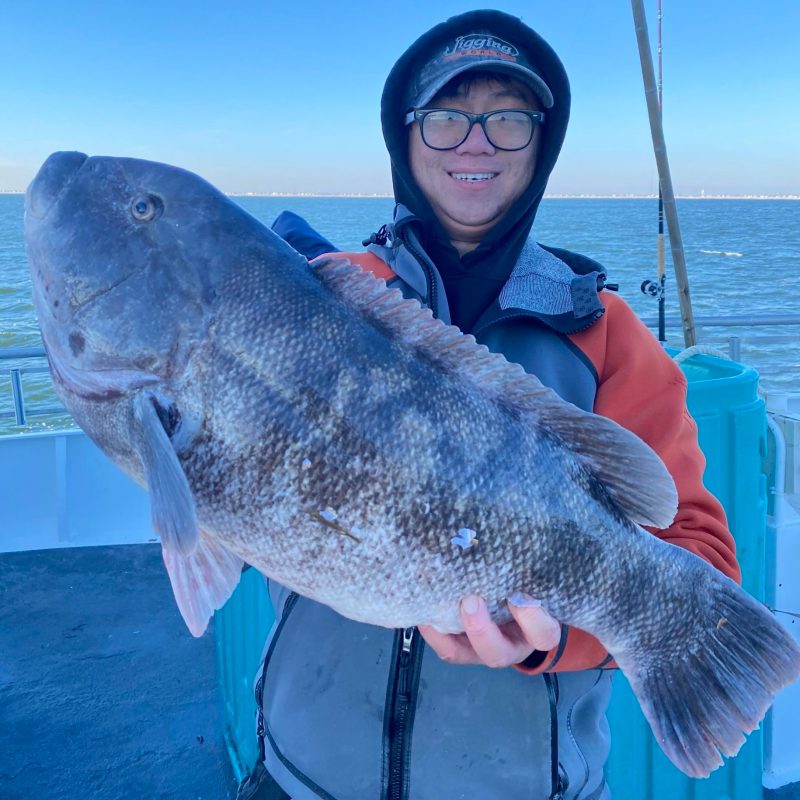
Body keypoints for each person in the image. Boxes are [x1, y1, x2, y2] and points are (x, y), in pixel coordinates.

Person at [243, 10, 740, 800]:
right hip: (298, 777)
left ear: (541, 146)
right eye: (446, 117)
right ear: (404, 138)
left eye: (508, 120)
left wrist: (554, 640)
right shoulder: (322, 298)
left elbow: (700, 560)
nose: (476, 142)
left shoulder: (609, 334)